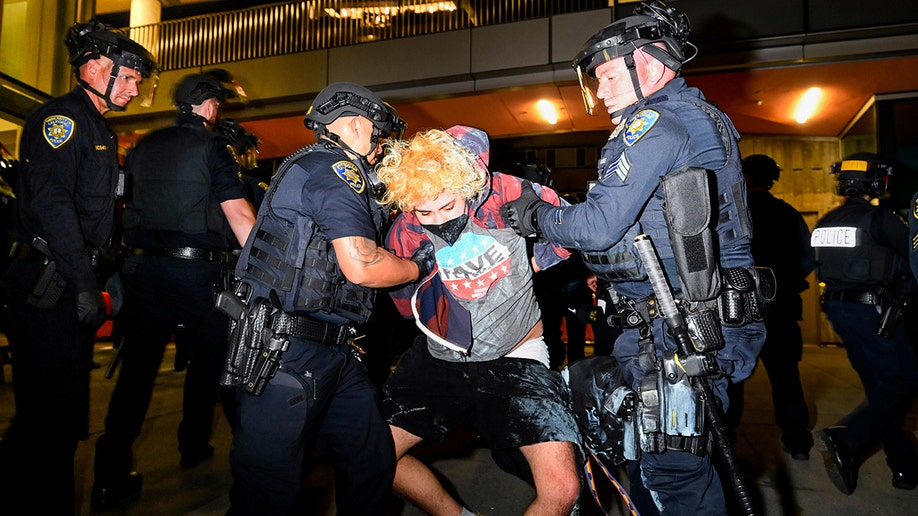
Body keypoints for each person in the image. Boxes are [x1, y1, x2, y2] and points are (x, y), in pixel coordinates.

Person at [500, 1, 766, 513]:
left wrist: (535, 216)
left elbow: (598, 227)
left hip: (678, 323)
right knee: (655, 463)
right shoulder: (698, 115)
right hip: (689, 317)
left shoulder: (655, 124)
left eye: (604, 76)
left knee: (674, 475)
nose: (599, 91)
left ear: (646, 63)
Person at [225, 82, 423, 515]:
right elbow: (362, 265)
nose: (381, 146)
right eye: (378, 133)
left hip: (331, 352)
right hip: (288, 354)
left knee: (370, 461)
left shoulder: (316, 166)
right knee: (266, 493)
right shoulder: (335, 171)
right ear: (355, 124)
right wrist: (418, 266)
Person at [378, 125, 582, 515]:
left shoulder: (511, 194)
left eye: (448, 206)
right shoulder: (405, 228)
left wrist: (530, 264)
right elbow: (405, 303)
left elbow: (570, 233)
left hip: (516, 356)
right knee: (371, 457)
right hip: (441, 358)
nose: (437, 219)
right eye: (426, 211)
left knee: (563, 489)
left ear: (467, 186)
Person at [0, 20, 157, 513]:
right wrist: (83, 282)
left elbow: (98, 215)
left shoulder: (98, 129)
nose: (134, 89)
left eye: (137, 80)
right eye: (127, 77)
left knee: (47, 416)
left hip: (68, 279)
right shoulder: (62, 120)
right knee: (53, 417)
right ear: (93, 69)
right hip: (49, 285)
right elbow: (53, 206)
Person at [90, 72, 256, 509]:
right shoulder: (212, 146)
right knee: (227, 372)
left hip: (142, 273)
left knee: (136, 378)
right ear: (207, 106)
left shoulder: (144, 145)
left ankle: (108, 478)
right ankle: (256, 474)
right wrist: (272, 271)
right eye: (217, 104)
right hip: (197, 276)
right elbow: (239, 215)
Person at [810, 152, 918, 495]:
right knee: (905, 379)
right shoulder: (880, 219)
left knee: (881, 389)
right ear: (877, 182)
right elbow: (912, 256)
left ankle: (903, 466)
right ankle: (848, 439)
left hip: (841, 312)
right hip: (876, 312)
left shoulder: (826, 221)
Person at [726, 154, 814, 459]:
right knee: (787, 379)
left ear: (745, 177)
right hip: (782, 310)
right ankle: (797, 441)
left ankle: (727, 444)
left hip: (737, 312)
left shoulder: (733, 213)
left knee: (731, 380)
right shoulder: (789, 214)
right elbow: (806, 261)